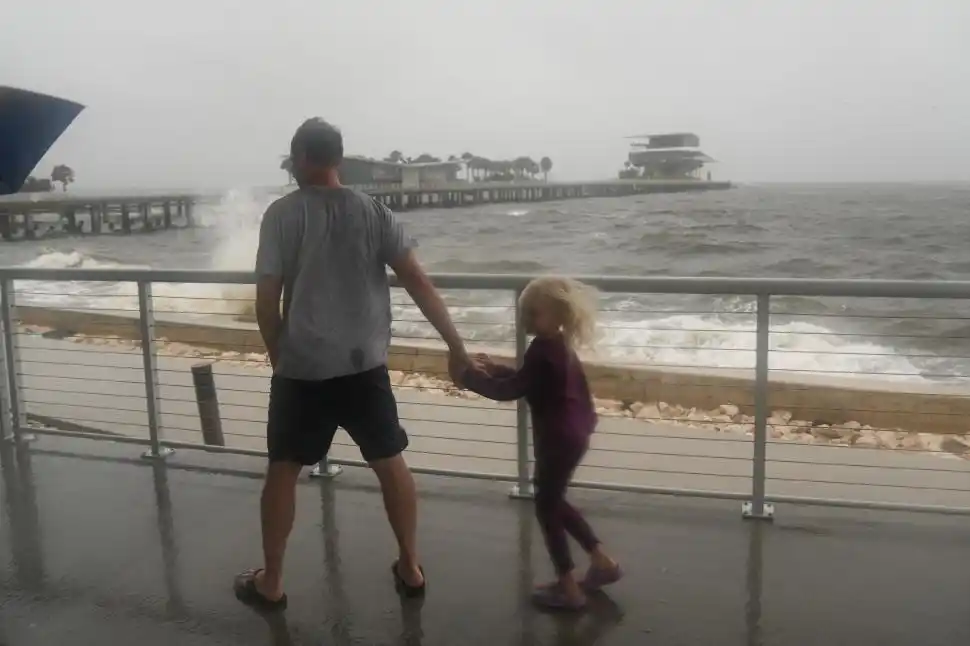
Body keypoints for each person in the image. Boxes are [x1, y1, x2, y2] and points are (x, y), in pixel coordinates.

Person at [234, 117, 472, 611]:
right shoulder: (375, 212)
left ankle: (271, 582)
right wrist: (457, 347)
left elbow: (266, 301)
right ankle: (410, 566)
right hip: (364, 363)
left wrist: (280, 356)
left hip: (303, 368)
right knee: (390, 463)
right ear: (337, 158)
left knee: (283, 470)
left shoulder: (281, 214)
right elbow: (418, 281)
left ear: (301, 157)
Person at [462, 277, 621, 611]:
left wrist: (469, 378)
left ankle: (569, 588)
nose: (526, 321)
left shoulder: (541, 350)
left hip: (556, 439)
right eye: (524, 313)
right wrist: (498, 369)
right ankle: (601, 561)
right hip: (575, 434)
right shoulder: (559, 346)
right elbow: (529, 380)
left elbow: (510, 391)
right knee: (553, 500)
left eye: (533, 314)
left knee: (546, 507)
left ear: (557, 314)